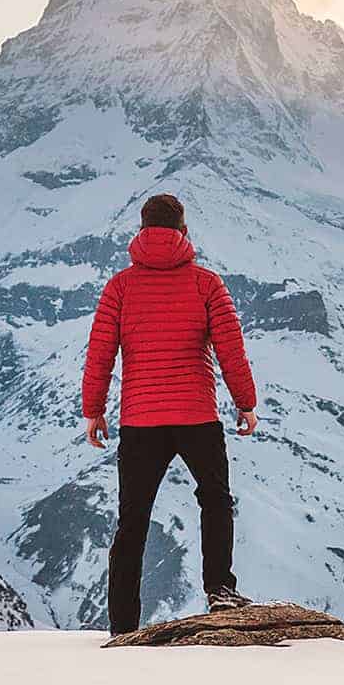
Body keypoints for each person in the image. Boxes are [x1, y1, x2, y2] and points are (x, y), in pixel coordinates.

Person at [83, 193, 259, 636]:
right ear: (183, 231)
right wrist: (245, 403)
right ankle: (220, 589)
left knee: (133, 519)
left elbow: (100, 353)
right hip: (197, 416)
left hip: (140, 421)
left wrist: (94, 410)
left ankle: (123, 624)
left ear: (141, 231)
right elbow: (231, 350)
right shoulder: (206, 284)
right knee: (215, 500)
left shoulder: (119, 287)